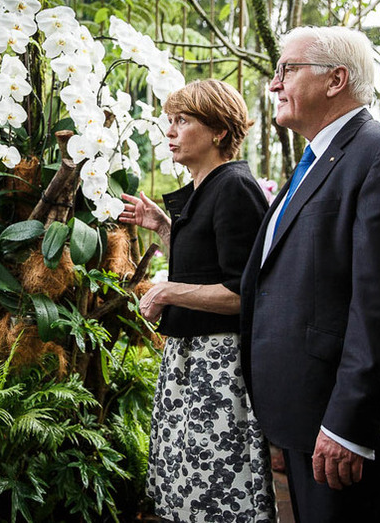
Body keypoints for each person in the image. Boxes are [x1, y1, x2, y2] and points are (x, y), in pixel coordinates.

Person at [239, 26, 380, 522]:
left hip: (347, 429)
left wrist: (350, 426)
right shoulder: (317, 159)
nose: (273, 84)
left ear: (335, 80)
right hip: (307, 416)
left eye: (286, 69)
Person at [120, 79, 276, 523]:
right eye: (169, 120)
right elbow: (204, 270)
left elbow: (244, 293)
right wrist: (164, 228)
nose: (170, 130)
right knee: (187, 488)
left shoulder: (234, 188)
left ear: (219, 132)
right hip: (191, 359)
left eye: (183, 120)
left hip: (219, 366)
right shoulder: (207, 188)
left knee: (215, 492)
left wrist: (166, 291)